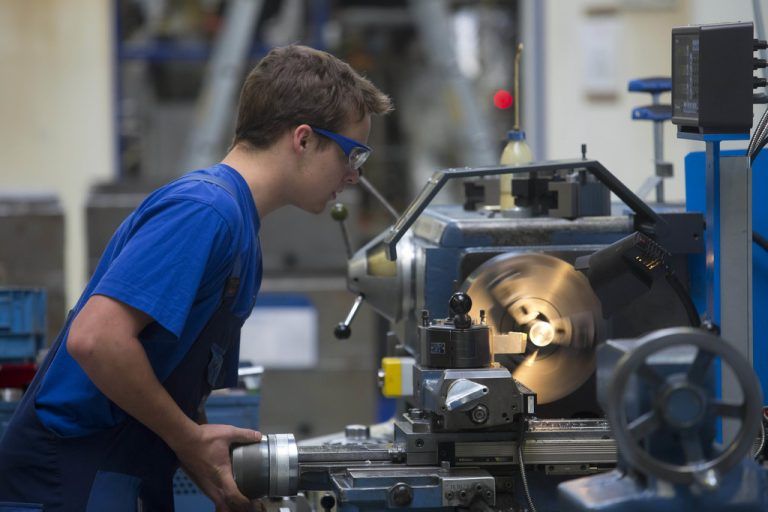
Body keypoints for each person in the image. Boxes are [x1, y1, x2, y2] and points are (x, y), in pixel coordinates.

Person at [0, 44, 392, 512]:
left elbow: (169, 378)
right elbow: (97, 339)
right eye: (353, 155)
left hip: (116, 473)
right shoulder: (206, 211)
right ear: (303, 139)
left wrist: (213, 470)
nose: (352, 176)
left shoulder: (240, 227)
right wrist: (189, 439)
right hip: (66, 481)